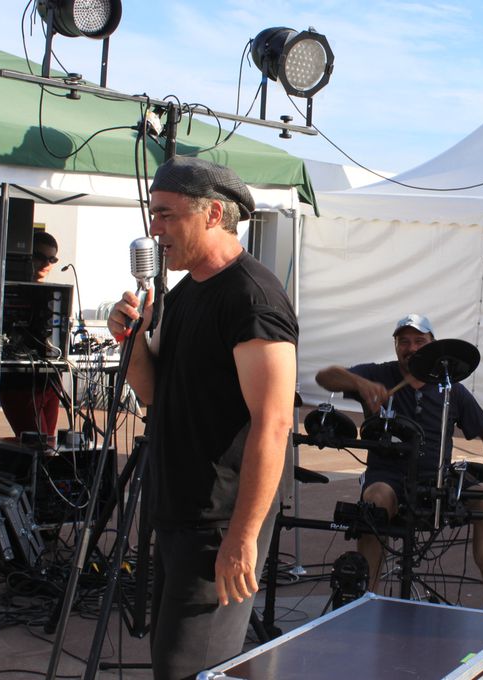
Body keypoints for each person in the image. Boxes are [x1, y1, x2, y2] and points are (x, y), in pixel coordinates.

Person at [106, 156, 297, 680]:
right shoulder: (184, 292)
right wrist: (135, 338)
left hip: (220, 522)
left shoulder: (252, 298)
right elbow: (155, 395)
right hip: (177, 510)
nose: (154, 229)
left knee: (190, 669)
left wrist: (243, 536)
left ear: (213, 213)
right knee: (188, 663)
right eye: (153, 215)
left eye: (166, 215)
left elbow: (274, 424)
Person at [315, 314, 483, 613]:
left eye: (419, 341)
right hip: (388, 475)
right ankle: (365, 602)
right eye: (404, 341)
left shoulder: (451, 388)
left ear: (432, 345)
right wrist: (361, 383)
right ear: (396, 346)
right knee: (375, 501)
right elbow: (324, 377)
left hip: (437, 478)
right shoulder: (378, 374)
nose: (411, 348)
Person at [0, 231, 62, 438]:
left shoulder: (54, 295)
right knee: (38, 447)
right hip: (20, 384)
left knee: (48, 445)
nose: (45, 263)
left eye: (51, 259)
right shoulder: (5, 291)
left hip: (50, 382)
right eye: (39, 256)